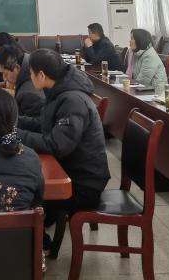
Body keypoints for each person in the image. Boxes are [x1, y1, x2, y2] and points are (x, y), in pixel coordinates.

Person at [18, 49, 110, 242]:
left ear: (41, 75)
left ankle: (35, 243)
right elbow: (44, 124)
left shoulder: (72, 100)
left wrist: (16, 135)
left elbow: (56, 145)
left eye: (31, 73)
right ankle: (39, 232)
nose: (29, 77)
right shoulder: (58, 90)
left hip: (84, 184)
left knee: (23, 192)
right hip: (70, 169)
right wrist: (13, 121)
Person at [0, 43, 46, 117]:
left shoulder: (29, 95)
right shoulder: (30, 66)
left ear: (17, 68)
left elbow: (33, 123)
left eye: (5, 74)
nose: (4, 78)